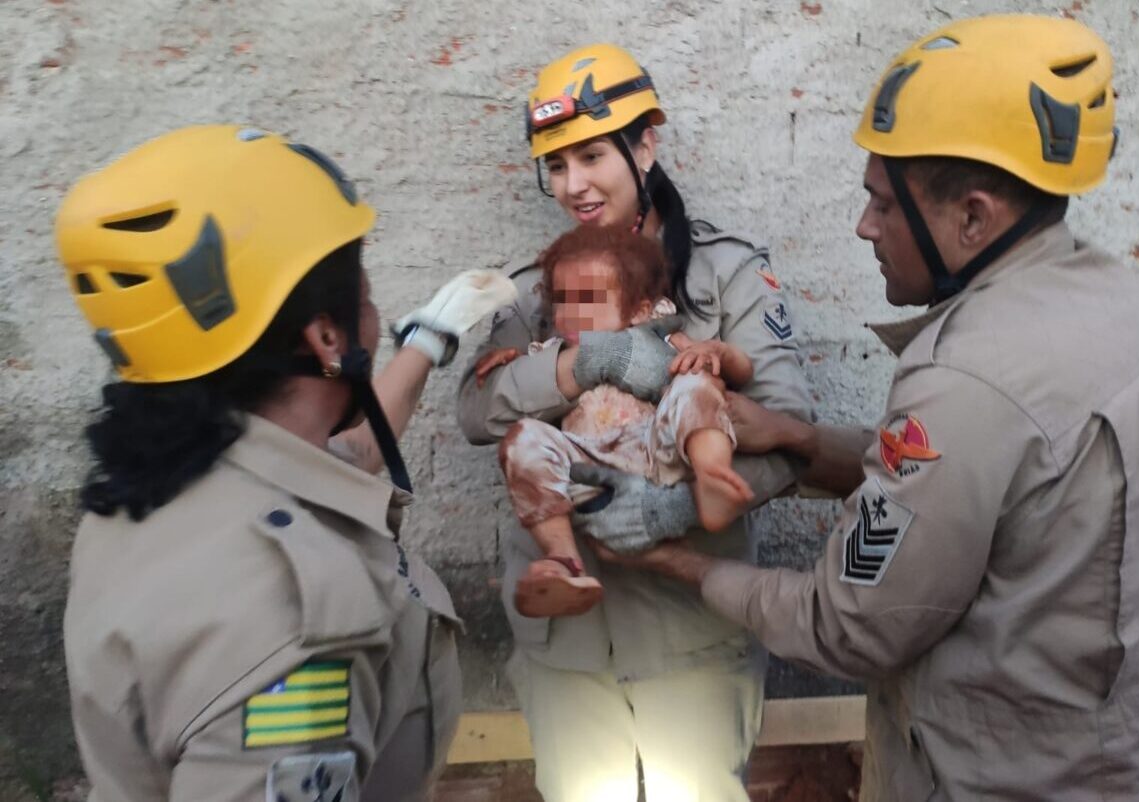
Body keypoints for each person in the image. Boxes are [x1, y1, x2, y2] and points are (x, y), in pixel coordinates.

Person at [583, 15, 1139, 801]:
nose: (863, 226)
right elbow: (980, 493)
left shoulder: (968, 376)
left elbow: (847, 624)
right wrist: (802, 440)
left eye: (882, 202)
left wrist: (674, 563)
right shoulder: (1119, 304)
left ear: (973, 217)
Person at [58, 125, 514, 802]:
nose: (374, 311)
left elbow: (348, 458)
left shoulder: (155, 488)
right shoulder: (297, 628)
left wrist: (427, 344)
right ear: (326, 336)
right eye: (364, 295)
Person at [457, 42, 828, 802]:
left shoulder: (723, 273)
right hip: (567, 642)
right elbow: (475, 409)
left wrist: (674, 507)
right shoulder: (541, 285)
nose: (573, 185)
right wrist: (583, 364)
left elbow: (792, 432)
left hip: (689, 624)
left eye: (591, 156)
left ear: (646, 144)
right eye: (556, 166)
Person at [482, 224, 755, 617]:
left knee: (694, 381)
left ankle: (713, 474)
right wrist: (506, 360)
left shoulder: (660, 339)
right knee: (523, 438)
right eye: (562, 300)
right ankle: (563, 562)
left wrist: (719, 353)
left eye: (589, 299)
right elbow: (519, 385)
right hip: (587, 471)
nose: (572, 313)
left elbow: (743, 372)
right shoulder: (556, 353)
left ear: (641, 309)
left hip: (656, 453)